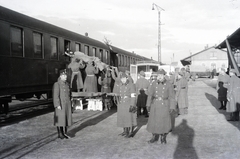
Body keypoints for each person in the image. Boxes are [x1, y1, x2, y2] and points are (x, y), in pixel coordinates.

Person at [146, 69, 176, 144]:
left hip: (164, 105)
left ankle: (163, 137)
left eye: (161, 75)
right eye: (158, 75)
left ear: (164, 76)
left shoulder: (169, 84)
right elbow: (150, 95)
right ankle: (154, 137)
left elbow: (172, 97)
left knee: (164, 121)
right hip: (155, 104)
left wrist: (172, 107)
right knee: (153, 121)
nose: (159, 77)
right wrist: (148, 104)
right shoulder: (153, 83)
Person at [53, 69, 72, 139]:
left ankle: (64, 133)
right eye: (64, 75)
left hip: (66, 104)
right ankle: (60, 133)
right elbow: (56, 95)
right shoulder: (57, 84)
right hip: (61, 104)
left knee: (65, 119)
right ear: (60, 76)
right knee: (60, 119)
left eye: (66, 75)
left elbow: (69, 94)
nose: (65, 77)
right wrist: (57, 105)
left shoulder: (67, 84)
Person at [116, 73, 137, 138]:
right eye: (122, 79)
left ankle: (131, 132)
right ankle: (125, 131)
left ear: (127, 78)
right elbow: (118, 94)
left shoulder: (131, 85)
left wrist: (132, 105)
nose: (123, 80)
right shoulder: (120, 85)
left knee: (130, 118)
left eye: (124, 78)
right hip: (122, 104)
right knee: (123, 117)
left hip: (128, 103)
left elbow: (133, 96)